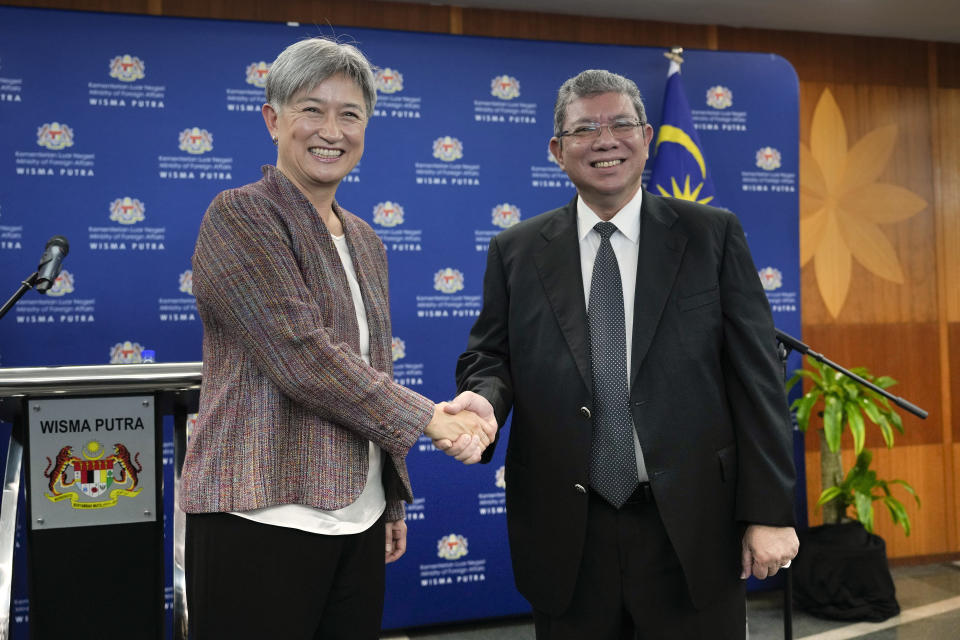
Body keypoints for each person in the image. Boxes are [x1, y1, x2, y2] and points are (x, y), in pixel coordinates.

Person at [448, 69, 799, 638]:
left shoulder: (711, 235)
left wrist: (768, 512)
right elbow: (491, 357)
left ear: (647, 137)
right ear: (557, 150)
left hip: (691, 528)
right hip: (568, 533)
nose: (605, 140)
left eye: (621, 124)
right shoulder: (515, 251)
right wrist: (483, 400)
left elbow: (756, 380)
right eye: (585, 129)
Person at [180, 37, 494, 639]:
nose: (332, 130)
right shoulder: (240, 215)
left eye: (350, 114)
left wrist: (387, 497)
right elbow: (301, 355)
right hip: (261, 513)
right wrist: (434, 419)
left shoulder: (366, 240)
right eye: (311, 109)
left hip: (359, 517)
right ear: (273, 119)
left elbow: (368, 368)